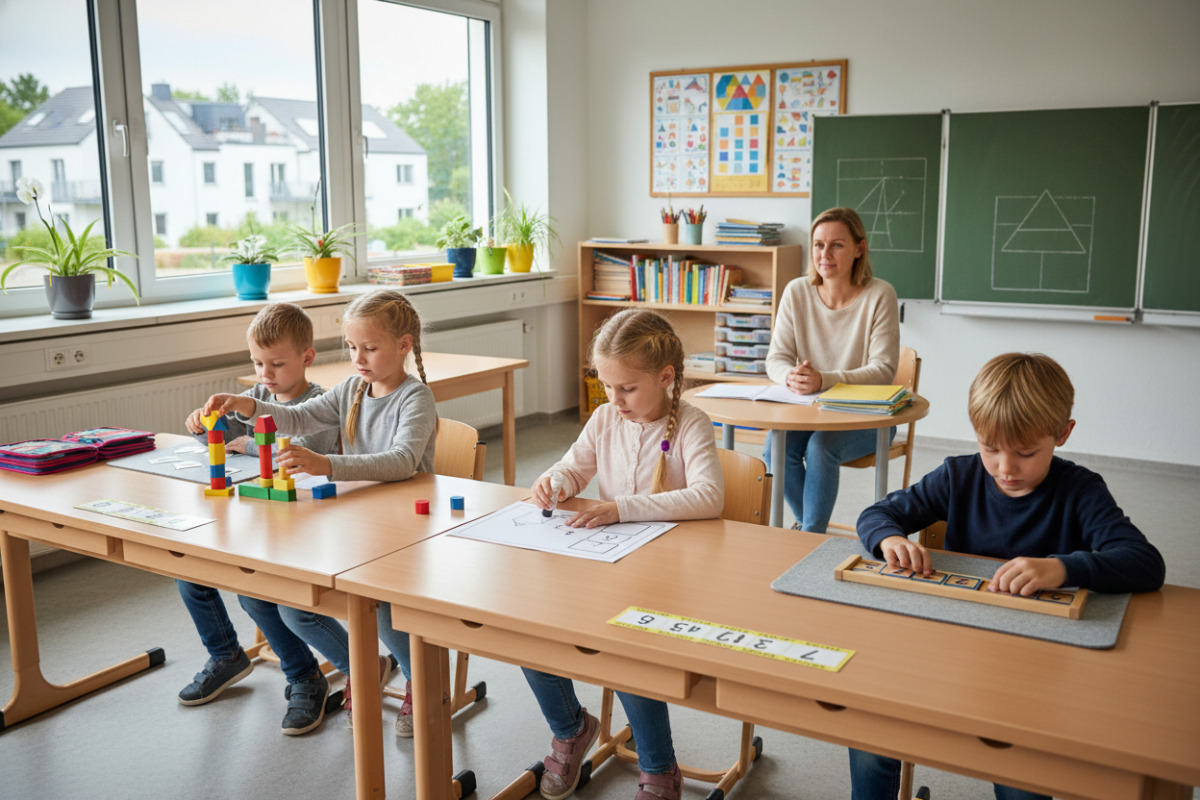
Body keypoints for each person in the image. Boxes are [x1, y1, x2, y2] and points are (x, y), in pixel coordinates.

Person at [850, 352, 1165, 800]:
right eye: (990, 448)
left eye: (1026, 453)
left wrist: (1063, 566)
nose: (1005, 468)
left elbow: (1145, 562)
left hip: (1037, 670)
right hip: (952, 652)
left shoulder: (1080, 490)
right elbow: (877, 514)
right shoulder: (958, 475)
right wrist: (889, 539)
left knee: (1021, 776)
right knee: (869, 732)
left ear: (1063, 434)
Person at [202, 288, 437, 738]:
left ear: (404, 345)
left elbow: (402, 461)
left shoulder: (415, 397)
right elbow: (300, 418)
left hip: (405, 525)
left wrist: (327, 464)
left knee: (384, 612)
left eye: (369, 348)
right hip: (358, 518)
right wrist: (248, 406)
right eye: (352, 347)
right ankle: (364, 668)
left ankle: (420, 683)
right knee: (295, 607)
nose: (358, 358)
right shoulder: (352, 389)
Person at [526, 308, 724, 800]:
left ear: (666, 377)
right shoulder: (604, 418)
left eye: (627, 389)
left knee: (627, 650)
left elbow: (709, 497)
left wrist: (621, 509)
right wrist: (555, 481)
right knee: (528, 628)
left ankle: (660, 768)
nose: (614, 400)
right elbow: (575, 467)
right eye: (607, 386)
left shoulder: (691, 423)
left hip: (671, 577)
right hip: (609, 564)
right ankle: (572, 728)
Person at [176, 302, 340, 737]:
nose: (265, 374)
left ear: (307, 357)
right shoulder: (258, 397)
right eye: (257, 363)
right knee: (189, 569)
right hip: (257, 510)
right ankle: (226, 655)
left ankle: (304, 675)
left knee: (255, 592)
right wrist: (204, 428)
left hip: (307, 519)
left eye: (277, 364)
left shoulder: (321, 403)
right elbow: (227, 440)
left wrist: (246, 444)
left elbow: (297, 452)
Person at [764, 206, 899, 533]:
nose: (824, 254)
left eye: (836, 245)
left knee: (821, 447)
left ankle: (809, 534)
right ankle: (812, 531)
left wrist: (825, 380)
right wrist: (789, 376)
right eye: (818, 244)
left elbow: (883, 370)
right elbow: (776, 359)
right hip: (811, 410)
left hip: (868, 416)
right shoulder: (797, 291)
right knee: (774, 447)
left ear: (859, 249)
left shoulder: (880, 294)